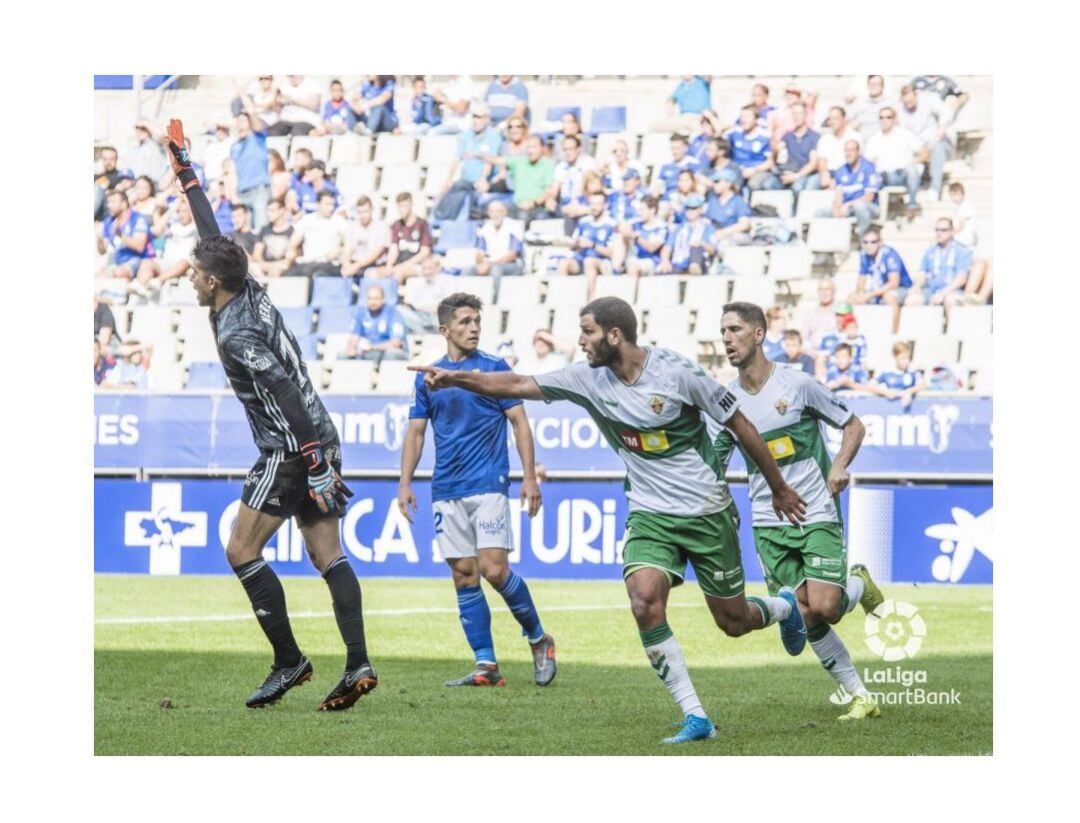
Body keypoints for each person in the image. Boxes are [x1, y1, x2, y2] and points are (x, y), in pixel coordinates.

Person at [408, 296, 807, 744]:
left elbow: (741, 425)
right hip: (650, 513)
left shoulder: (676, 373)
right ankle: (696, 716)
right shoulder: (587, 378)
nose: (581, 342)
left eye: (588, 333)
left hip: (705, 513)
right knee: (643, 600)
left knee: (733, 622)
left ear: (614, 336)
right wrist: (454, 377)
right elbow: (517, 383)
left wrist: (779, 487)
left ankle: (783, 607)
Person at [164, 119, 374, 710]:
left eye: (194, 273)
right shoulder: (245, 286)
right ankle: (358, 662)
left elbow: (278, 385)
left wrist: (309, 462)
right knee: (326, 553)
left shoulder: (235, 332)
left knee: (240, 550)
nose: (190, 275)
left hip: (290, 447)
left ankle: (289, 661)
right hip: (319, 433)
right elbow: (215, 241)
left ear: (210, 283)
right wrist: (187, 176)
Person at [715, 303, 883, 721]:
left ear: (758, 334)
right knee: (806, 614)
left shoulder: (799, 384)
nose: (727, 339)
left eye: (735, 329)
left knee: (826, 605)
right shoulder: (725, 401)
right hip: (767, 522)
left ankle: (858, 583)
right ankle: (861, 696)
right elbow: (714, 465)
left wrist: (840, 465)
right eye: (722, 332)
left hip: (815, 511)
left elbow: (854, 425)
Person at [399, 293, 554, 688]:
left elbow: (520, 422)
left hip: (488, 483)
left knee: (494, 569)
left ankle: (539, 639)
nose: (473, 328)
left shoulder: (494, 369)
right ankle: (486, 665)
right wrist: (405, 483)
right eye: (465, 321)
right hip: (446, 487)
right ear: (445, 329)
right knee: (464, 574)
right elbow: (416, 432)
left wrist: (529, 477)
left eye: (477, 322)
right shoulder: (428, 376)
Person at [435, 102, 502, 222]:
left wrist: (483, 178)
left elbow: (490, 160)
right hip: (467, 179)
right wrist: (448, 180)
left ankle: (452, 220)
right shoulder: (466, 135)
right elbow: (456, 159)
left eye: (479, 117)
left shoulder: (494, 136)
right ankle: (442, 220)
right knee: (453, 189)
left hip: (486, 180)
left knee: (473, 195)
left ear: (487, 119)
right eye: (474, 117)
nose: (476, 121)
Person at [863, 106, 927, 218]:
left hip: (903, 174)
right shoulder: (874, 140)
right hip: (884, 176)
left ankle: (911, 205)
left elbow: (924, 153)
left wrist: (911, 162)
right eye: (881, 117)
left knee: (912, 169)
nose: (884, 120)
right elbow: (868, 163)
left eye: (888, 117)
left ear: (894, 119)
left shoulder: (904, 135)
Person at [557, 191, 618, 298]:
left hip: (602, 262)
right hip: (581, 259)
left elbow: (612, 253)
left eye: (598, 204)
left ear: (605, 205)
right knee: (563, 263)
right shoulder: (583, 222)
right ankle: (562, 298)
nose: (594, 207)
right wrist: (576, 244)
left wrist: (592, 245)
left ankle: (590, 300)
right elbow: (572, 246)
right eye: (592, 204)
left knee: (589, 262)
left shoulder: (611, 224)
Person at [897, 84, 951, 201]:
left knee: (938, 147)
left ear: (916, 95)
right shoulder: (900, 110)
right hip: (916, 147)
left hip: (934, 141)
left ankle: (935, 189)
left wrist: (941, 129)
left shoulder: (928, 99)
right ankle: (910, 191)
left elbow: (946, 112)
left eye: (911, 101)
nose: (909, 105)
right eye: (906, 102)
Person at [906, 217, 973, 312]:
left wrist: (943, 293)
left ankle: (952, 327)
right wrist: (916, 288)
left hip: (952, 290)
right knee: (911, 300)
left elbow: (961, 279)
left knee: (951, 300)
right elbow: (922, 274)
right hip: (931, 290)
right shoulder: (930, 251)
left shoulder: (962, 251)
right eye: (937, 230)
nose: (939, 233)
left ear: (952, 231)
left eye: (943, 230)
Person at [853, 227, 912, 332]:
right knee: (853, 298)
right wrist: (860, 294)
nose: (868, 246)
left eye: (873, 242)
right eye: (865, 242)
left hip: (901, 288)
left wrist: (869, 295)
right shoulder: (864, 255)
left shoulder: (890, 255)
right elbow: (861, 279)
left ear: (880, 242)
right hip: (879, 288)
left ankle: (894, 332)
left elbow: (894, 283)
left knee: (889, 297)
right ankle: (855, 332)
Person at [97, 188, 156, 288]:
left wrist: (120, 235)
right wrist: (99, 238)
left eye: (113, 202)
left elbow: (140, 247)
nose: (109, 205)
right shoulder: (109, 221)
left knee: (112, 274)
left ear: (124, 204)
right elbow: (102, 251)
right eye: (108, 202)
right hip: (117, 260)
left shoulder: (138, 218)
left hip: (138, 259)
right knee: (97, 275)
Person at [822, 140, 881, 235]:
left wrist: (848, 205)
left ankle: (864, 241)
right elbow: (838, 195)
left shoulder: (869, 168)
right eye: (846, 151)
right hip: (847, 208)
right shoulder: (841, 170)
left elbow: (869, 197)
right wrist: (836, 209)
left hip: (869, 207)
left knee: (860, 207)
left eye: (851, 150)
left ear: (858, 152)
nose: (848, 154)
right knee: (821, 213)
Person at [469, 200, 524, 300]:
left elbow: (513, 254)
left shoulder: (514, 226)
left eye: (498, 211)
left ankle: (494, 301)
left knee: (496, 270)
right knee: (468, 271)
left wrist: (491, 265)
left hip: (512, 265)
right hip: (490, 263)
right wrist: (481, 264)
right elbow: (480, 252)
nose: (495, 214)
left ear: (504, 212)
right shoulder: (486, 227)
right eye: (492, 211)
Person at [285, 190, 347, 278]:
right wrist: (292, 253)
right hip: (308, 262)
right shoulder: (307, 219)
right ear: (318, 204)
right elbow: (292, 243)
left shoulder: (339, 221)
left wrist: (339, 249)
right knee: (287, 275)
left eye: (332, 204)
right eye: (327, 204)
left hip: (328, 263)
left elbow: (348, 241)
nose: (331, 208)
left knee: (314, 274)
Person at [230, 103, 271, 231]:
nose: (238, 125)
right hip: (242, 193)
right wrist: (233, 194)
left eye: (242, 121)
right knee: (245, 232)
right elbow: (233, 172)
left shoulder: (257, 137)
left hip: (259, 191)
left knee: (261, 228)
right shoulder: (234, 147)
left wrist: (244, 98)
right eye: (237, 122)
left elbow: (255, 119)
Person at [344, 284, 408, 363]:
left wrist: (372, 347)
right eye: (369, 298)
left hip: (387, 351)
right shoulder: (361, 313)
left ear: (383, 299)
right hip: (369, 351)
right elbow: (354, 337)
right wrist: (351, 348)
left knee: (391, 354)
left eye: (376, 298)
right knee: (343, 355)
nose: (372, 302)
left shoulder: (393, 313)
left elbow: (396, 343)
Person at [500, 134, 556, 224]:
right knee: (498, 209)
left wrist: (532, 203)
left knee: (530, 217)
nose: (530, 151)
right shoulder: (520, 161)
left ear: (542, 148)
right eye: (528, 147)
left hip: (538, 207)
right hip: (518, 205)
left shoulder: (548, 164)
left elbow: (548, 191)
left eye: (533, 147)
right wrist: (479, 155)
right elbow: (497, 160)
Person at [380, 192, 433, 284]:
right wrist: (389, 265)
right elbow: (394, 249)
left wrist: (403, 266)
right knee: (372, 274)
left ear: (411, 205)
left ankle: (392, 298)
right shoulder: (396, 225)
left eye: (403, 206)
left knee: (398, 274)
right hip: (398, 265)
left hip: (417, 265)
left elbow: (425, 252)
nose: (401, 210)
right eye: (399, 207)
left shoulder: (421, 224)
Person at [727, 105, 780, 191]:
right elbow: (717, 136)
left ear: (756, 119)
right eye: (742, 116)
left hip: (758, 170)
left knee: (754, 184)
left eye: (747, 116)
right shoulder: (734, 133)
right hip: (737, 170)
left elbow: (770, 162)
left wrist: (754, 170)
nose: (744, 120)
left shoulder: (765, 136)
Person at [659, 194, 715, 275]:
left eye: (694, 208)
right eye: (688, 208)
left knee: (696, 248)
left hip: (699, 261)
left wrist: (702, 244)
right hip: (679, 262)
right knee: (661, 273)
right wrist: (665, 261)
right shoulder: (679, 228)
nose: (690, 211)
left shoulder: (707, 227)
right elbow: (667, 247)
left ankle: (694, 268)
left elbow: (712, 249)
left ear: (700, 209)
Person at [397, 255, 452, 333]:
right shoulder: (415, 282)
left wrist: (425, 307)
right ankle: (421, 333)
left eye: (429, 268)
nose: (426, 272)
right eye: (424, 269)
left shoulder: (447, 281)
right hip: (419, 315)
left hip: (438, 316)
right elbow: (409, 302)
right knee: (399, 310)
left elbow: (447, 305)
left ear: (438, 268)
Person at [341, 196, 390, 280]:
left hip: (374, 265)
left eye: (365, 211)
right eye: (359, 212)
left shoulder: (381, 228)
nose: (362, 215)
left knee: (371, 274)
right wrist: (346, 265)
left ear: (372, 210)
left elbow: (375, 255)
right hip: (355, 263)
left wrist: (354, 267)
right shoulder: (352, 227)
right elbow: (347, 249)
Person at [776, 101, 821, 194]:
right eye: (794, 113)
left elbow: (813, 163)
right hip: (787, 172)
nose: (797, 116)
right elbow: (779, 157)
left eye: (800, 113)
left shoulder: (814, 136)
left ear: (806, 115)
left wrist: (796, 176)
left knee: (798, 187)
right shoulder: (787, 136)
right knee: (768, 184)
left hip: (805, 173)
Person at [866, 341, 926, 408]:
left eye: (908, 358)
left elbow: (922, 384)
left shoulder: (912, 371)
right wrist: (885, 392)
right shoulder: (887, 372)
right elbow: (870, 385)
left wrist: (909, 391)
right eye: (903, 358)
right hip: (891, 411)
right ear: (895, 357)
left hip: (908, 413)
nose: (906, 361)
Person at [622, 195, 670, 278]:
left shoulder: (661, 227)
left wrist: (636, 237)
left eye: (642, 210)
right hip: (635, 258)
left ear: (652, 210)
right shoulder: (636, 223)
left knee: (633, 267)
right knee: (620, 238)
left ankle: (631, 290)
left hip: (651, 261)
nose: (639, 213)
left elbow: (652, 248)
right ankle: (617, 267)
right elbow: (622, 226)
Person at [704, 168, 753, 245]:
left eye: (717, 182)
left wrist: (723, 232)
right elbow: (706, 221)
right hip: (714, 236)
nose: (714, 185)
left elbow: (744, 224)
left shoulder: (737, 201)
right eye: (714, 182)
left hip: (731, 237)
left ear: (728, 183)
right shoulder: (712, 201)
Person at [252, 198, 296, 278]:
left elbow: (289, 260)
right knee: (251, 267)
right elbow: (257, 254)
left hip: (282, 267)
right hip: (264, 267)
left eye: (272, 211)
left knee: (280, 270)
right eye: (267, 211)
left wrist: (272, 267)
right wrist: (266, 266)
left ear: (281, 211)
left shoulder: (292, 231)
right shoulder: (264, 230)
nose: (268, 214)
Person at [816, 106, 862, 179]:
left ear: (844, 119)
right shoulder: (825, 138)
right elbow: (822, 160)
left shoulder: (855, 137)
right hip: (829, 173)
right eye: (830, 119)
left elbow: (859, 160)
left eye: (835, 118)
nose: (832, 122)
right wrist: (824, 174)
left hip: (848, 172)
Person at [848, 75, 896, 139]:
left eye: (876, 84)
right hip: (863, 142)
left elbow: (896, 125)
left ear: (882, 86)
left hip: (884, 142)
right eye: (871, 84)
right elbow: (848, 122)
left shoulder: (890, 103)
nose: (873, 87)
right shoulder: (860, 102)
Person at [800, 277, 839, 350]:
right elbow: (803, 338)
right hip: (813, 353)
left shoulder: (840, 313)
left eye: (827, 289)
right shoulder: (810, 314)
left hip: (835, 354)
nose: (824, 293)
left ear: (833, 292)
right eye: (821, 289)